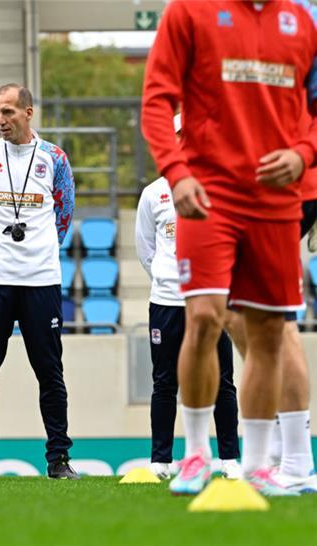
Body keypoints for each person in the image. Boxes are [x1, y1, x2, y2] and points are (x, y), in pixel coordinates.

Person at [141, 0, 316, 496]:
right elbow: (156, 100)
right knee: (204, 317)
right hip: (207, 195)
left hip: (276, 201)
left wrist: (304, 155)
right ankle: (195, 456)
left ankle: (260, 466)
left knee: (266, 332)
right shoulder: (189, 12)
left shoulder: (301, 23)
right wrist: (176, 173)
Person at [0, 83, 77, 481]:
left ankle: (58, 460)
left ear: (28, 112)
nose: (0, 120)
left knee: (49, 370)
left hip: (40, 279)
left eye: (8, 112)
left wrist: (37, 254)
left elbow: (64, 215)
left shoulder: (54, 158)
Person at [134, 115, 241, 480]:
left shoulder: (216, 186)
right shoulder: (154, 193)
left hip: (210, 299)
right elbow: (145, 249)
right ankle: (160, 460)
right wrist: (167, 280)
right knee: (165, 381)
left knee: (223, 380)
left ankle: (229, 458)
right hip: (166, 301)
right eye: (178, 135)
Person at [223, 178, 317, 494]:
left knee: (275, 320)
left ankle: (296, 463)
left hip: (278, 195)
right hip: (261, 194)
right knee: (236, 316)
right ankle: (284, 452)